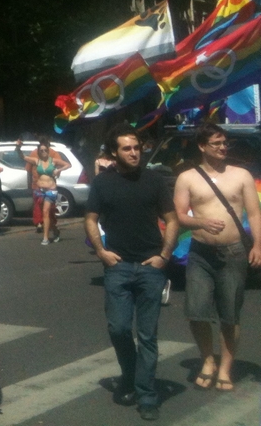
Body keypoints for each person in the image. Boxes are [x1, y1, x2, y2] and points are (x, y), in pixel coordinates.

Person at [85, 123, 178, 421]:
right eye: (127, 148)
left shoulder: (154, 181)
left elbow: (172, 220)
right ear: (115, 153)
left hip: (151, 267)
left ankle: (147, 395)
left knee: (148, 335)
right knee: (119, 328)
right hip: (118, 267)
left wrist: (164, 255)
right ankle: (131, 373)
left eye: (137, 147)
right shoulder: (103, 184)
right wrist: (101, 251)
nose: (135, 152)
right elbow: (90, 218)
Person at [172, 122, 261, 392]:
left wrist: (258, 243)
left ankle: (225, 368)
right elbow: (179, 215)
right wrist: (200, 222)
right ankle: (208, 360)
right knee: (196, 311)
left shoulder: (241, 175)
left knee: (229, 315)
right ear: (202, 146)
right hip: (200, 253)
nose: (223, 148)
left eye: (225, 143)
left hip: (233, 252)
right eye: (217, 143)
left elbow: (254, 213)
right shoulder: (187, 177)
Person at [16, 136, 71, 245]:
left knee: (45, 212)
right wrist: (18, 147)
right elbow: (22, 157)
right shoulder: (36, 161)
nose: (44, 152)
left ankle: (45, 238)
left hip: (51, 190)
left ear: (48, 150)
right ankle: (55, 231)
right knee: (46, 214)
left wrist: (58, 170)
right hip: (39, 190)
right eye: (41, 150)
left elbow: (68, 164)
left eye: (45, 150)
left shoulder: (53, 161)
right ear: (39, 152)